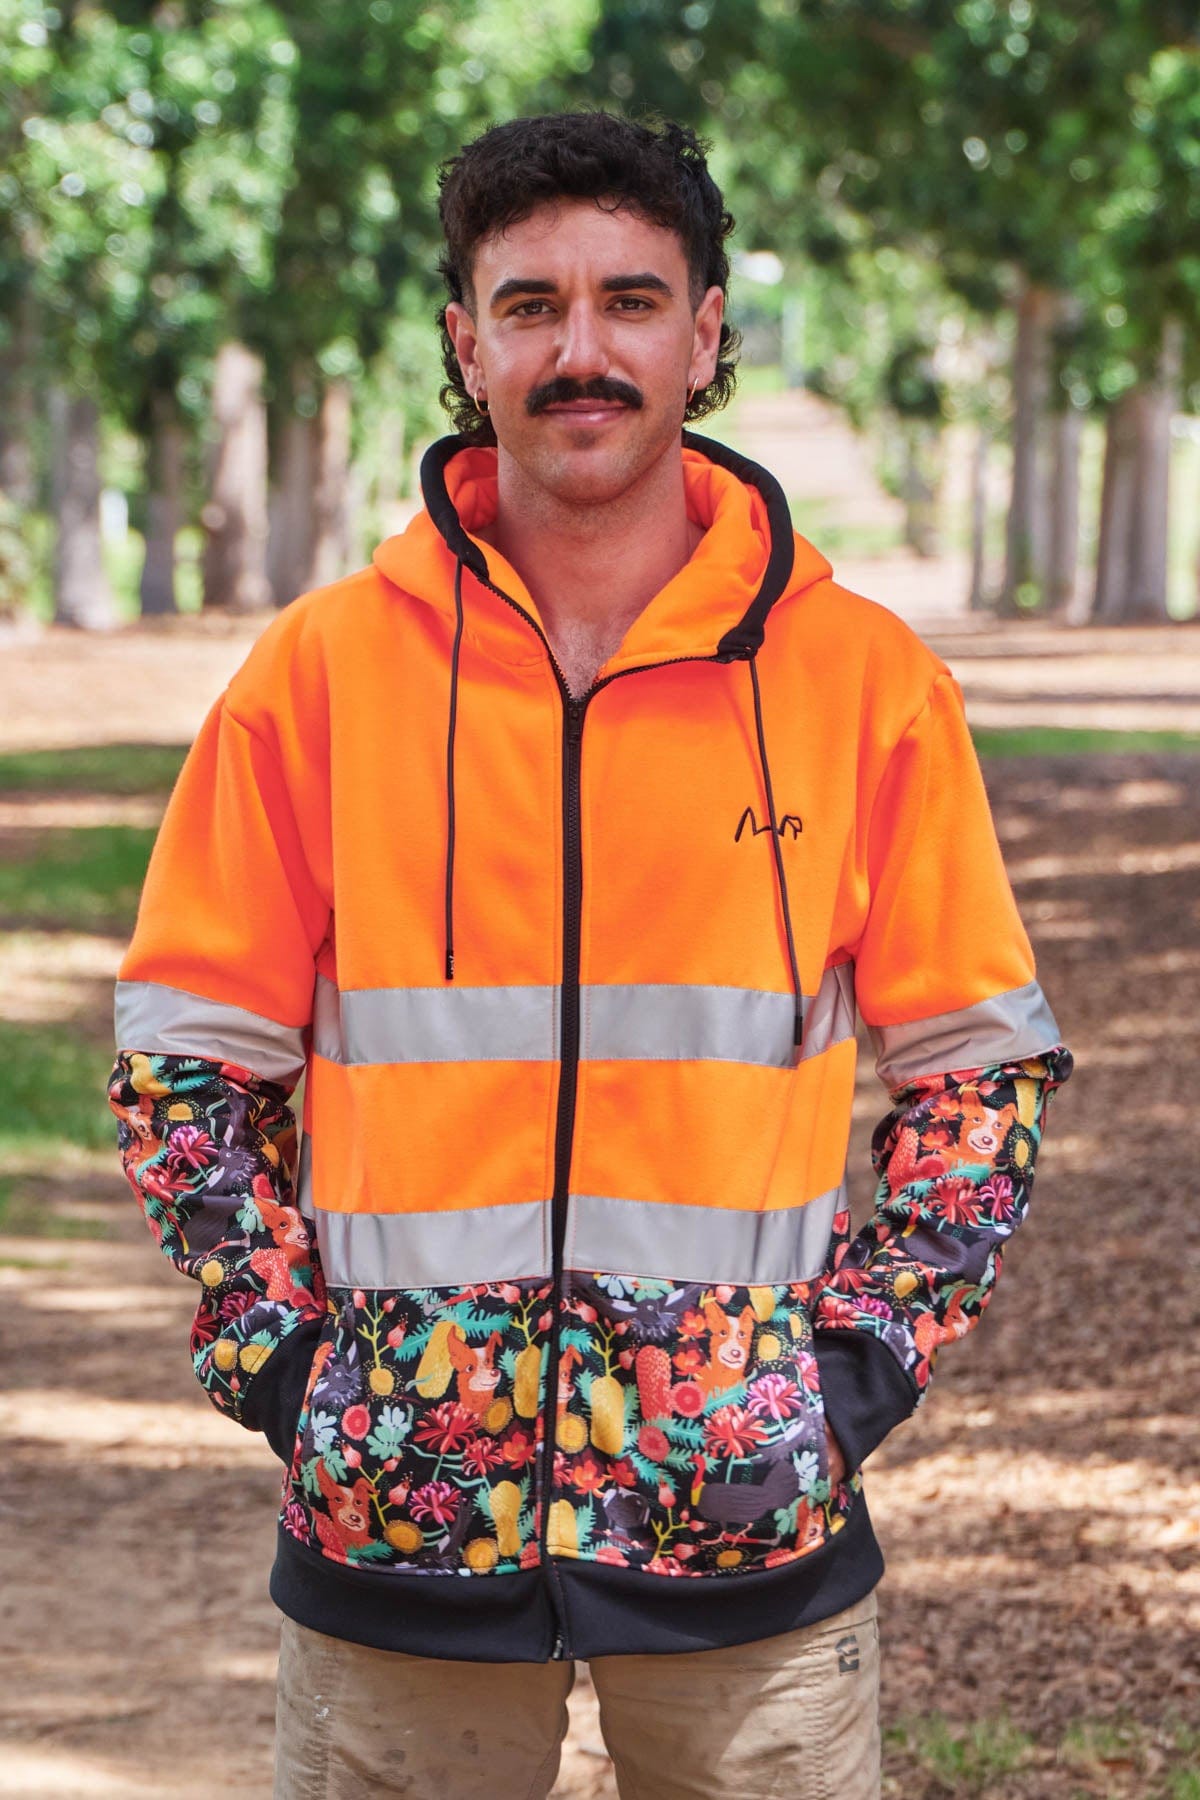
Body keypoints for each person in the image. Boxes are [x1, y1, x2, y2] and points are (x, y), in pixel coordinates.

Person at [109, 111, 1072, 1800]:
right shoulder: (321, 676)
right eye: (530, 303)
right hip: (396, 1547)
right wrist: (288, 1368)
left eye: (632, 300)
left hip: (749, 1547)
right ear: (465, 339)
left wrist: (842, 1380)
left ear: (706, 334)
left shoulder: (861, 684)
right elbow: (188, 1058)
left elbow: (979, 1073)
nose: (582, 349)